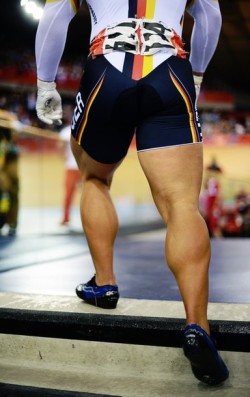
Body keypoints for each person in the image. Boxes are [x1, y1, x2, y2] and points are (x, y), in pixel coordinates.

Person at [35, 0, 229, 385]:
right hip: (170, 68)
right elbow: (209, 14)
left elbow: (56, 12)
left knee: (94, 178)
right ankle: (197, 326)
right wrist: (199, 75)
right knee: (181, 204)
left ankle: (104, 283)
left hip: (107, 67)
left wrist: (45, 83)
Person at [59, 106, 81, 225]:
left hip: (82, 167)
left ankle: (89, 217)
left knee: (89, 193)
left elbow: (61, 149)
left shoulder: (82, 128)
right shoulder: (65, 131)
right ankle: (66, 217)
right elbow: (61, 149)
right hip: (73, 167)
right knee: (68, 194)